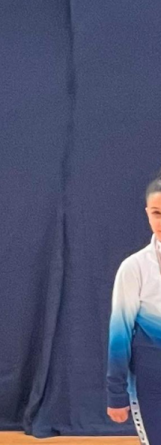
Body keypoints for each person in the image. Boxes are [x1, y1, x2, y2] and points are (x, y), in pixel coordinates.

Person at [105, 171, 161, 445]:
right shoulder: (134, 268)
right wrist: (116, 394)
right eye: (157, 213)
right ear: (147, 213)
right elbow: (120, 335)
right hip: (152, 380)